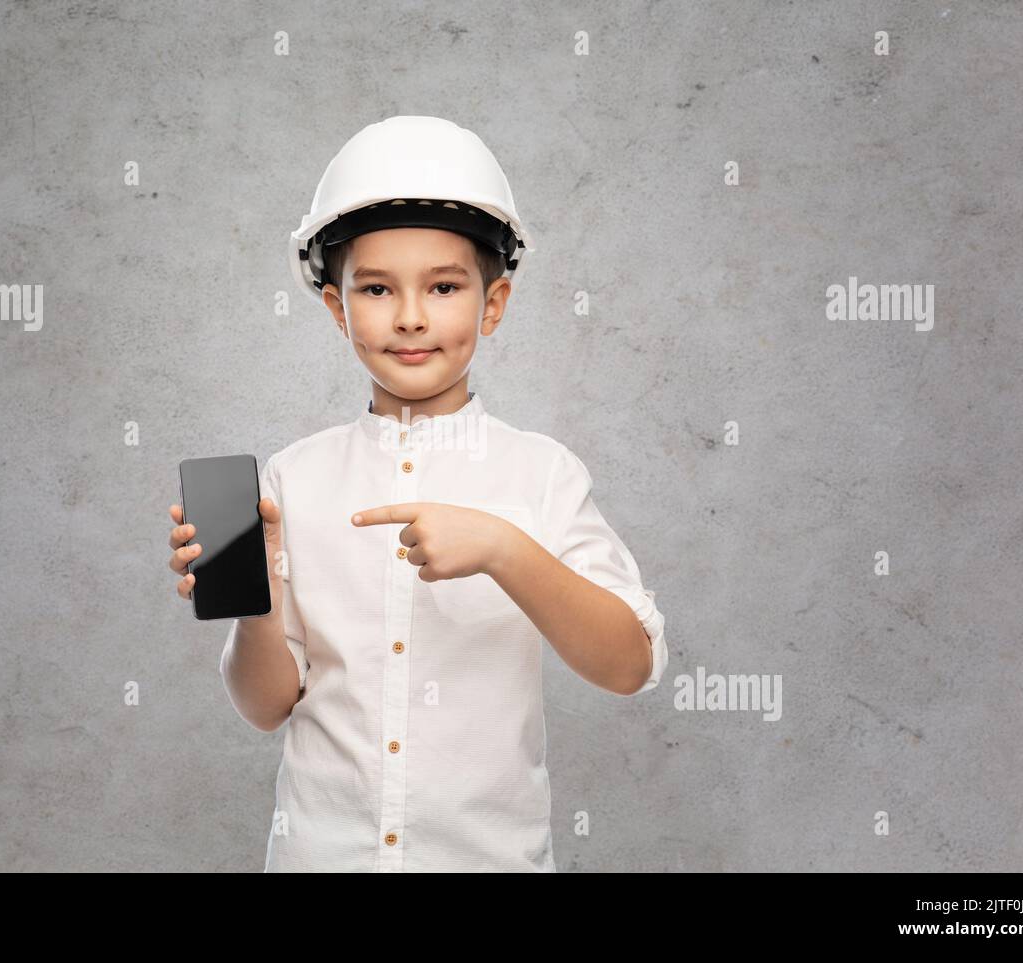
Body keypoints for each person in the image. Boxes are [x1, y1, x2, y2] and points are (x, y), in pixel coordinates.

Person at [166, 115, 668, 872]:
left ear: (492, 305)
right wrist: (257, 594)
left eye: (442, 286)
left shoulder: (543, 473)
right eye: (375, 288)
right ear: (337, 309)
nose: (409, 316)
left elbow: (629, 663)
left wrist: (504, 548)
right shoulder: (291, 481)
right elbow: (266, 705)